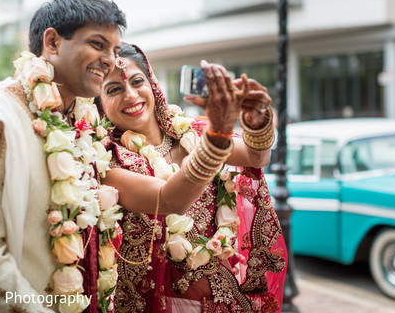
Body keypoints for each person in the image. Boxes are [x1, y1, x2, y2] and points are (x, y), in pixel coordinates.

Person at [0, 0, 126, 313]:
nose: (111, 60)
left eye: (115, 50)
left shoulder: (82, 123)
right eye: (98, 44)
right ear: (52, 43)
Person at [97, 43, 287, 313]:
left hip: (227, 299)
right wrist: (217, 137)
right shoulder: (109, 163)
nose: (130, 95)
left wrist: (258, 120)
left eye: (137, 81)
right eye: (113, 89)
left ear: (152, 83)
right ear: (100, 105)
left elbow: (257, 158)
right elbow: (171, 198)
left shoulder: (195, 132)